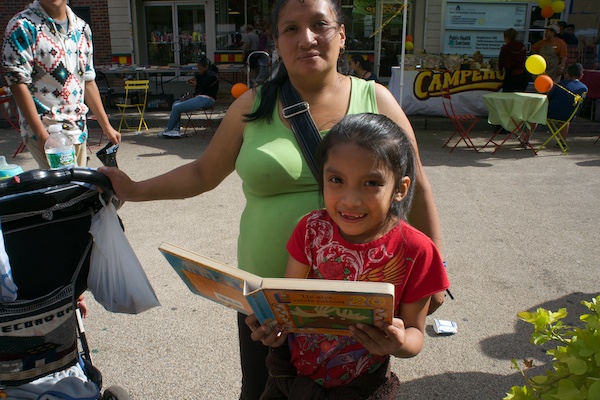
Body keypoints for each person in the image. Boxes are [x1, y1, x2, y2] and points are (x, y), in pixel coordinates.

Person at [99, 0, 445, 398]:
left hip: (356, 304)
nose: (307, 38)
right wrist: (135, 189)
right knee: (263, 389)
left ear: (342, 34)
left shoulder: (376, 99)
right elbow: (202, 173)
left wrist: (435, 275)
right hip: (269, 303)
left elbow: (416, 183)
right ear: (278, 42)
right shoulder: (253, 105)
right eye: (291, 29)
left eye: (320, 25)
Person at [249, 113, 450, 399]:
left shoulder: (417, 250)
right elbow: (288, 302)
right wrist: (272, 327)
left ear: (400, 189)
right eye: (336, 180)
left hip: (362, 388)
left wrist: (398, 343)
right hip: (291, 379)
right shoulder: (310, 229)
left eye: (371, 183)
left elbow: (416, 334)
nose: (350, 199)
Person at [1, 0, 120, 169]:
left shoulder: (82, 28)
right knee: (62, 191)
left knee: (76, 188)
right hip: (45, 128)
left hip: (77, 128)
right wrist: (44, 138)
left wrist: (106, 126)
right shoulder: (22, 26)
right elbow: (17, 82)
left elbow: (88, 80)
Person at [158, 56, 219, 139]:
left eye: (200, 69)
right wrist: (194, 81)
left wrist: (196, 84)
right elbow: (199, 84)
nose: (199, 71)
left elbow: (203, 88)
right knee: (176, 103)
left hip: (206, 99)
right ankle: (175, 130)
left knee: (176, 107)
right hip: (199, 97)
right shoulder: (203, 74)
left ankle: (169, 129)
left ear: (206, 67)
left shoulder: (211, 75)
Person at [547, 63, 588, 145]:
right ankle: (562, 141)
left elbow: (549, 97)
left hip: (551, 113)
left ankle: (526, 139)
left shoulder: (560, 84)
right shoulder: (584, 88)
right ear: (581, 76)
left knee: (535, 114)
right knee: (565, 120)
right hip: (569, 116)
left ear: (567, 74)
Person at [498, 28, 529, 93]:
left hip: (511, 76)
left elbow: (500, 62)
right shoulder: (522, 46)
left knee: (507, 96)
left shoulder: (505, 48)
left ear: (506, 37)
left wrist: (500, 71)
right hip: (523, 75)